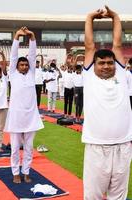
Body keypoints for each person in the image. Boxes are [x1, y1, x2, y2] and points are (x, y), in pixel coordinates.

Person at [83, 6, 132, 200]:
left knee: (119, 196)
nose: (106, 66)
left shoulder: (121, 71)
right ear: (93, 65)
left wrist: (115, 17)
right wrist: (89, 17)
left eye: (109, 63)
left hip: (123, 145)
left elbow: (117, 45)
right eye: (101, 63)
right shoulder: (89, 76)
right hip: (96, 146)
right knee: (93, 195)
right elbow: (89, 46)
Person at [4, 27, 44, 184]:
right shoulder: (12, 74)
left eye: (26, 65)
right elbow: (13, 57)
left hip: (31, 118)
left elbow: (32, 57)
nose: (25, 67)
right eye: (22, 65)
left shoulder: (32, 74)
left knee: (28, 148)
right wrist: (17, 38)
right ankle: (15, 172)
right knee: (14, 148)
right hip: (16, 118)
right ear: (16, 67)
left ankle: (26, 171)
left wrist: (32, 38)